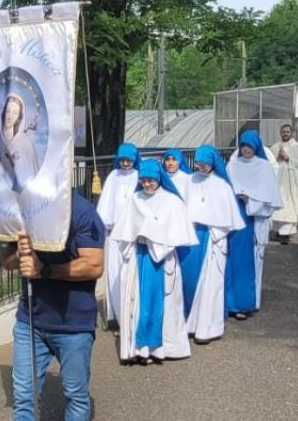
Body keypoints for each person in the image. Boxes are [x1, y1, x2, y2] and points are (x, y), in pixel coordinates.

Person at [0, 192, 105, 421]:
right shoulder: (22, 211)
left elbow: (94, 265)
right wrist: (20, 256)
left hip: (74, 324)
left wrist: (45, 270)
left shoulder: (82, 212)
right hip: (30, 321)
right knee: (24, 393)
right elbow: (7, 261)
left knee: (75, 392)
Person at [110, 159, 197, 363]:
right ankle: (140, 349)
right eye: (144, 181)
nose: (147, 184)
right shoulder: (135, 199)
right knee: (137, 303)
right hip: (138, 257)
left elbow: (175, 233)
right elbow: (125, 231)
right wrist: (136, 237)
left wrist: (153, 237)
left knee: (165, 305)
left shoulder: (172, 202)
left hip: (162, 258)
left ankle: (162, 349)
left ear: (159, 179)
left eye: (151, 180)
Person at [179, 145, 245, 344]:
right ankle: (189, 324)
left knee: (210, 284)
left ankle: (207, 328)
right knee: (189, 282)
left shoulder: (222, 185)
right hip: (191, 237)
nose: (202, 167)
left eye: (206, 163)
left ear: (213, 163)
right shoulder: (189, 181)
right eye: (199, 163)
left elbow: (229, 218)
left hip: (212, 237)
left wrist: (215, 230)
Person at [227, 130, 284, 319]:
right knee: (232, 261)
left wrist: (250, 201)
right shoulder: (232, 165)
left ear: (256, 147)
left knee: (250, 262)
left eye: (250, 146)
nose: (246, 149)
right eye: (243, 146)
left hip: (254, 218)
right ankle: (230, 302)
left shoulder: (264, 167)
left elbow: (270, 201)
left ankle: (247, 302)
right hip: (234, 218)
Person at [96, 143, 140, 326]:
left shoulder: (139, 177)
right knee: (114, 272)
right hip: (114, 233)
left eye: (129, 160)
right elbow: (106, 203)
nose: (126, 163)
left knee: (129, 274)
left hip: (132, 234)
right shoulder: (113, 176)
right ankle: (117, 314)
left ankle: (131, 315)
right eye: (122, 160)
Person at [0, 94, 41, 192]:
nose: (10, 116)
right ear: (3, 112)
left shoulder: (26, 143)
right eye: (8, 111)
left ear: (19, 117)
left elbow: (34, 174)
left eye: (15, 113)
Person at [268, 124, 298, 245]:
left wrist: (288, 158)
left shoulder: (297, 147)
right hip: (278, 181)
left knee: (289, 206)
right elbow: (269, 163)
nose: (285, 134)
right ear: (280, 133)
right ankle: (278, 231)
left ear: (292, 133)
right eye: (283, 132)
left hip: (291, 182)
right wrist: (277, 157)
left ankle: (286, 233)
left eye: (287, 132)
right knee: (278, 206)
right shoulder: (275, 147)